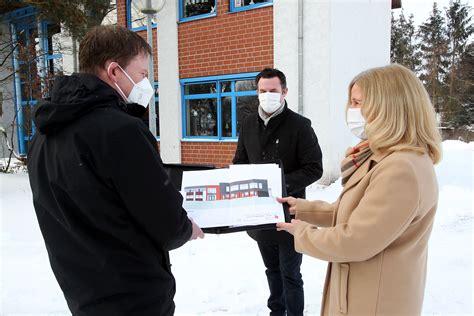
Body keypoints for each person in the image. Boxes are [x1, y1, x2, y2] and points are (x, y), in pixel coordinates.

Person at [27, 25, 204, 316]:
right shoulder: (121, 131)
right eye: (142, 74)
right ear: (114, 71)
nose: (147, 85)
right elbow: (165, 221)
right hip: (133, 295)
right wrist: (186, 228)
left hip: (83, 292)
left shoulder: (43, 136)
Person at [277, 64, 442, 316]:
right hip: (361, 294)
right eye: (352, 103)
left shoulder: (401, 168)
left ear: (390, 108)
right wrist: (301, 208)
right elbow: (354, 213)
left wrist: (302, 234)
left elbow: (356, 240)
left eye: (359, 103)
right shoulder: (384, 157)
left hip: (373, 303)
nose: (352, 111)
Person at [233, 68, 323, 315]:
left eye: (273, 91)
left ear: (284, 91)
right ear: (257, 92)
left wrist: (279, 184)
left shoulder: (300, 126)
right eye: (262, 91)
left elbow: (314, 168)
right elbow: (239, 161)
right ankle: (276, 311)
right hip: (259, 215)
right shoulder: (249, 124)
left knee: (291, 273)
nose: (267, 95)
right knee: (272, 269)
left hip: (290, 213)